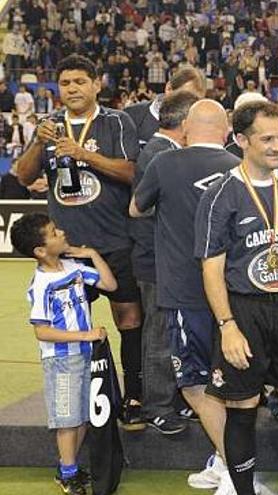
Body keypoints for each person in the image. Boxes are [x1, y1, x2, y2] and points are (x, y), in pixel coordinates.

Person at [15, 54, 147, 431]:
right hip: (66, 250)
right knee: (72, 325)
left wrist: (84, 153)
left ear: (95, 84)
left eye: (79, 81)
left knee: (129, 319)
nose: (72, 88)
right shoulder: (48, 127)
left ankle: (134, 394)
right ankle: (78, 400)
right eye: (65, 82)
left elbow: (132, 172)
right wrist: (39, 145)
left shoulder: (115, 122)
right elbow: (24, 176)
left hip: (114, 241)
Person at [195, 101, 278, 495]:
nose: (277, 146)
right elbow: (211, 268)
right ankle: (243, 489)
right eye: (266, 139)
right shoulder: (221, 194)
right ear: (241, 140)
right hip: (243, 311)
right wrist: (227, 326)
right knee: (242, 406)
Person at [131, 98, 243, 492]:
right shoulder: (237, 167)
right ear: (226, 131)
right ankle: (222, 459)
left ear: (186, 129)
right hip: (232, 295)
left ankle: (234, 468)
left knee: (194, 383)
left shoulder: (164, 163)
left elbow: (136, 208)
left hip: (184, 291)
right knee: (229, 380)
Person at [11, 213, 117, 495]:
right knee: (67, 419)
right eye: (53, 232)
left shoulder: (73, 267)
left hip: (85, 356)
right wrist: (86, 335)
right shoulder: (41, 284)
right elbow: (42, 331)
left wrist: (92, 254)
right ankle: (68, 473)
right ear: (40, 251)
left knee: (82, 416)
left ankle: (68, 467)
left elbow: (109, 285)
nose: (61, 232)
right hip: (61, 361)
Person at [129, 90, 200, 437]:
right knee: (159, 335)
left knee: (173, 333)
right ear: (186, 123)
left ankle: (176, 396)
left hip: (163, 261)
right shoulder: (159, 155)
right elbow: (143, 214)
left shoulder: (165, 153)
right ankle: (158, 406)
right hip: (157, 263)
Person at [124, 67, 207, 147]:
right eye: (185, 98)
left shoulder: (199, 126)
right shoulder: (131, 115)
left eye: (197, 101)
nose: (191, 105)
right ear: (169, 88)